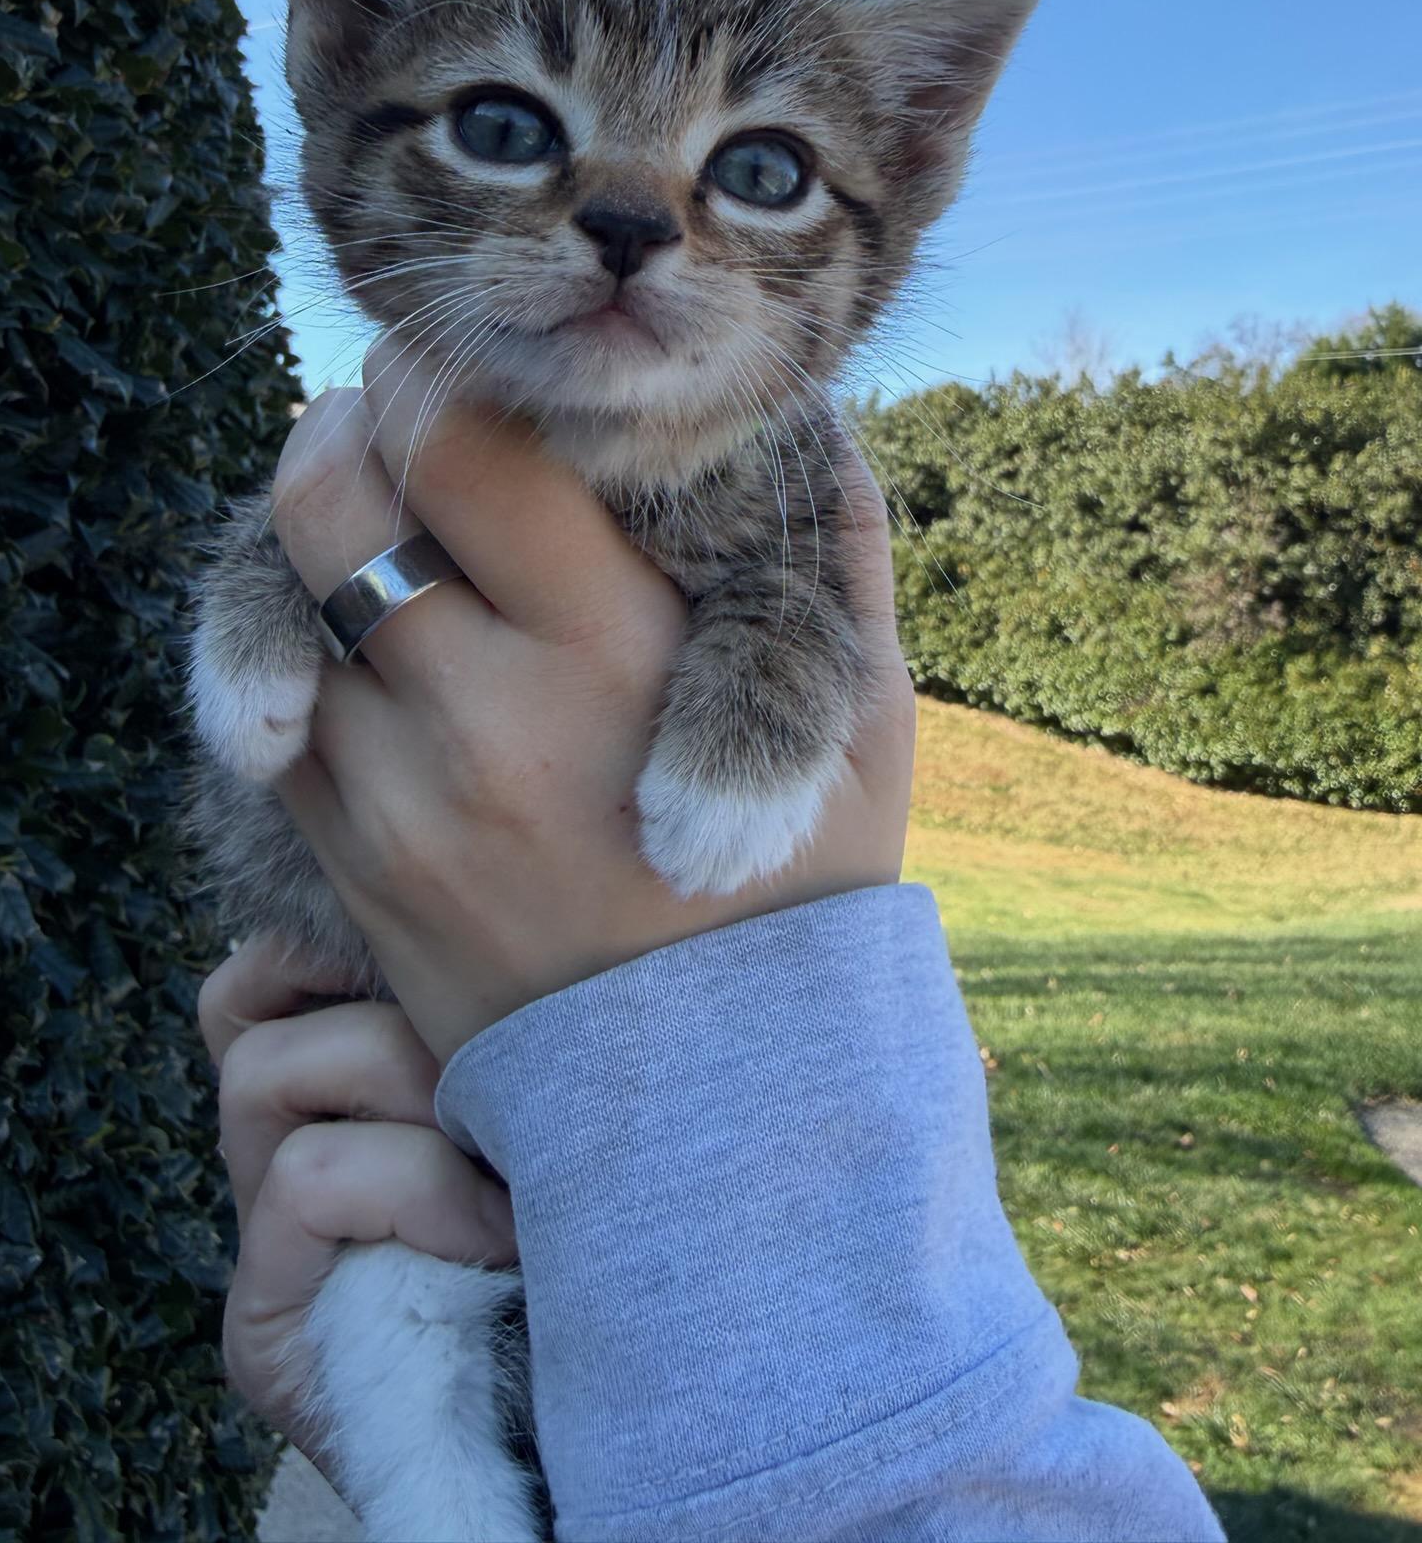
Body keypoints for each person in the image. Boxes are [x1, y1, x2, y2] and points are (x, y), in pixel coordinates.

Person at [198, 361, 1225, 1542]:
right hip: (384, 1121)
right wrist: (275, 569)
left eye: (753, 165)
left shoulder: (774, 467)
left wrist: (778, 660)